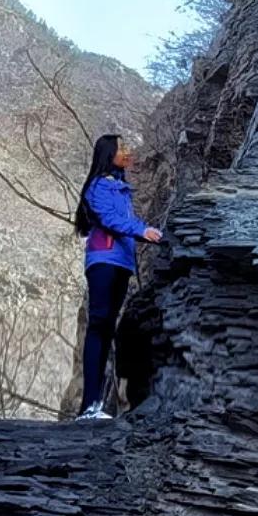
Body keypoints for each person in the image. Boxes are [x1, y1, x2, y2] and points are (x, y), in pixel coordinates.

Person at [72, 130, 162, 421]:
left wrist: (151, 232)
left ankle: (97, 404)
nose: (128, 152)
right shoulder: (98, 186)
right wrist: (141, 230)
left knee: (108, 326)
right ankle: (89, 406)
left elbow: (129, 221)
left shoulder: (121, 188)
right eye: (122, 148)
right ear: (109, 154)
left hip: (121, 263)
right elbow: (111, 220)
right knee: (99, 324)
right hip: (103, 259)